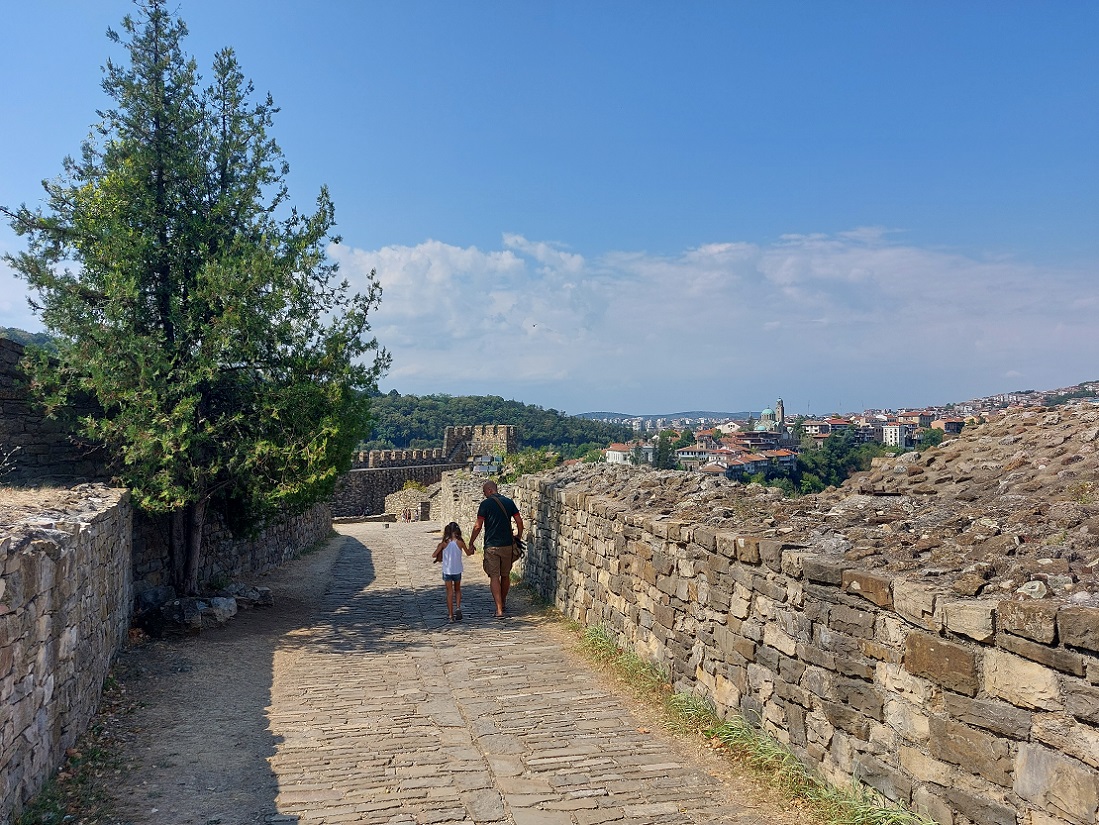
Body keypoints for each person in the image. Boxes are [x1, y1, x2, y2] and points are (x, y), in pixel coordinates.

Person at [467, 480, 524, 618]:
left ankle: (499, 609)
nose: (484, 494)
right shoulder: (509, 502)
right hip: (507, 545)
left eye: (484, 491)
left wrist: (471, 542)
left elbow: (478, 526)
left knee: (494, 577)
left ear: (490, 490)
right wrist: (518, 536)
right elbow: (519, 521)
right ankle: (503, 602)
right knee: (505, 575)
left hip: (492, 546)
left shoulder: (485, 505)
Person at [432, 522, 473, 622]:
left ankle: (450, 616)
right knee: (457, 590)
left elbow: (434, 555)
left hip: (447, 571)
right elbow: (468, 553)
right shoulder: (460, 542)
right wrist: (471, 550)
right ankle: (458, 607)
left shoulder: (444, 543)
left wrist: (440, 550)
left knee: (449, 593)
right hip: (457, 570)